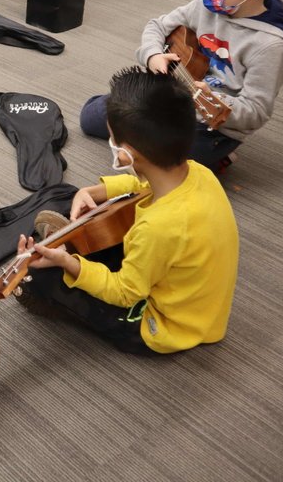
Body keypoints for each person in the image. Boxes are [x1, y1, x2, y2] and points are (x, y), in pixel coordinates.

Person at [18, 67, 239, 355]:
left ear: (125, 155)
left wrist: (69, 264)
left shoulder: (158, 227)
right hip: (199, 306)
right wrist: (94, 192)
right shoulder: (199, 172)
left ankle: (59, 284)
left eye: (111, 138)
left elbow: (125, 292)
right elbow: (142, 183)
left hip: (164, 327)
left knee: (41, 278)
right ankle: (81, 251)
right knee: (103, 227)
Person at [79, 0, 283, 173]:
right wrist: (153, 55)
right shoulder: (206, 7)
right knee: (90, 117)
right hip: (168, 95)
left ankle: (215, 155)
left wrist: (216, 101)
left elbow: (256, 112)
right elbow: (157, 26)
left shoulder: (270, 46)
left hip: (212, 125)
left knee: (165, 161)